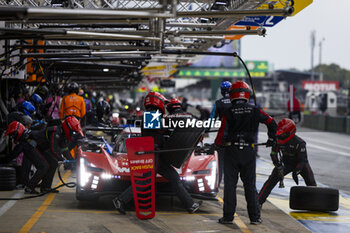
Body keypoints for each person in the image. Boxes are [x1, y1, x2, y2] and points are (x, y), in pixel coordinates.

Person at [113, 92, 202, 214]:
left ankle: (190, 205)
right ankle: (120, 200)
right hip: (152, 153)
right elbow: (161, 129)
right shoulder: (150, 115)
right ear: (157, 102)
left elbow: (160, 130)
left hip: (157, 154)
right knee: (146, 180)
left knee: (174, 177)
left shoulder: (152, 115)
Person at [216, 81, 277, 225]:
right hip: (249, 152)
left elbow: (222, 133)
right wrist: (271, 138)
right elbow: (271, 121)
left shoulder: (228, 111)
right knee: (250, 185)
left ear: (232, 95)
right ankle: (255, 218)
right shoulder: (255, 110)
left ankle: (228, 217)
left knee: (230, 185)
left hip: (232, 151)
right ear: (247, 94)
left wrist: (216, 146)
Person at [258, 118, 317, 208]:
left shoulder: (300, 143)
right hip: (286, 164)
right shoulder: (277, 140)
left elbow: (303, 160)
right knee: (271, 180)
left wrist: (296, 172)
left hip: (300, 164)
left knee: (311, 183)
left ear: (290, 133)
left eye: (283, 134)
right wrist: (277, 165)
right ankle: (258, 202)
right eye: (279, 133)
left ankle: (315, 202)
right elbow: (273, 154)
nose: (280, 136)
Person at [3, 121, 50, 194]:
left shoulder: (26, 136)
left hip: (39, 149)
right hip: (33, 149)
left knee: (44, 166)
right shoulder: (25, 137)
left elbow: (13, 154)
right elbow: (13, 154)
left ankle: (36, 186)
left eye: (13, 134)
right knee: (44, 166)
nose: (12, 137)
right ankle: (30, 187)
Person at [212, 81, 232, 187]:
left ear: (222, 91)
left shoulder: (218, 103)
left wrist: (205, 130)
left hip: (223, 138)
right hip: (236, 139)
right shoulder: (236, 102)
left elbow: (211, 119)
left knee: (219, 165)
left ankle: (216, 186)